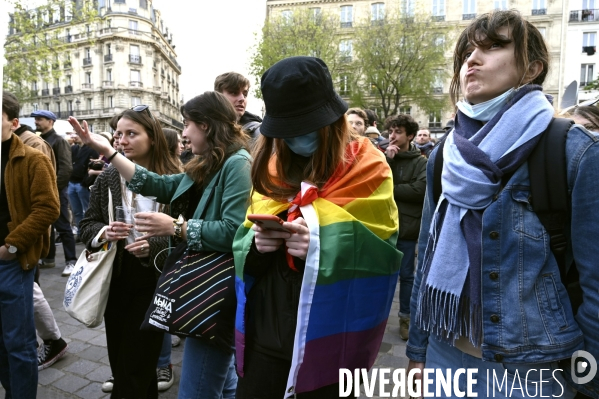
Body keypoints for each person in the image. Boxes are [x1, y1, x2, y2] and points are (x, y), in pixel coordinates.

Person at [406, 10, 599, 398]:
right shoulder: (446, 154)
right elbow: (426, 256)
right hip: (445, 354)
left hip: (529, 368)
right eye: (467, 52)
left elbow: (595, 286)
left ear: (532, 69)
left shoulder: (573, 152)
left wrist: (588, 380)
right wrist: (417, 350)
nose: (472, 60)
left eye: (494, 46)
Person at [234, 56, 401, 398]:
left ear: (331, 121)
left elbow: (382, 246)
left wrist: (321, 243)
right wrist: (258, 246)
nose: (296, 137)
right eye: (288, 130)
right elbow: (243, 240)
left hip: (333, 336)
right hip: (268, 334)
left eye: (305, 126)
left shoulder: (368, 165)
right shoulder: (269, 165)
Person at [71, 91, 252, 399]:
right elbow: (161, 185)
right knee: (223, 383)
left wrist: (176, 227)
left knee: (197, 389)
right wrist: (109, 153)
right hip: (194, 285)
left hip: (212, 289)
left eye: (188, 124)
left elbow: (234, 231)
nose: (183, 133)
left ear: (206, 126)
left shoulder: (236, 164)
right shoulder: (209, 161)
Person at [75, 105, 180, 399]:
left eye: (131, 134)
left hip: (156, 281)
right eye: (118, 134)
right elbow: (86, 224)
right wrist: (103, 233)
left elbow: (188, 233)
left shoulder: (176, 177)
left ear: (153, 138)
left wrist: (155, 245)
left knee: (134, 367)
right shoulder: (109, 178)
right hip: (116, 277)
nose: (121, 140)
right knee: (123, 360)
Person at [1, 91, 60, 398]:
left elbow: (49, 208)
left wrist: (12, 246)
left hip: (12, 261)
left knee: (18, 341)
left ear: (12, 123)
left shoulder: (33, 156)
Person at [383, 114, 427, 341]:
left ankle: (405, 318)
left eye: (398, 131)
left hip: (407, 227)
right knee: (380, 274)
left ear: (410, 136)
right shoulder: (382, 159)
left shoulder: (420, 162)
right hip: (382, 228)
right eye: (391, 131)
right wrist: (388, 162)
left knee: (407, 275)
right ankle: (376, 318)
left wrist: (392, 189)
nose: (393, 135)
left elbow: (420, 190)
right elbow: (375, 186)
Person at [32, 110, 76, 276]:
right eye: (36, 119)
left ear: (50, 121)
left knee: (63, 226)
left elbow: (66, 168)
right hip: (43, 191)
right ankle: (48, 258)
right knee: (45, 227)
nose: (36, 122)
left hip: (56, 191)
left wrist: (53, 189)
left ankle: (71, 261)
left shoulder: (59, 141)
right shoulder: (39, 140)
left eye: (40, 119)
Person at [214, 72, 262, 141]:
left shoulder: (258, 134)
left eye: (245, 94)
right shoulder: (202, 129)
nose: (242, 99)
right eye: (234, 93)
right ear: (218, 96)